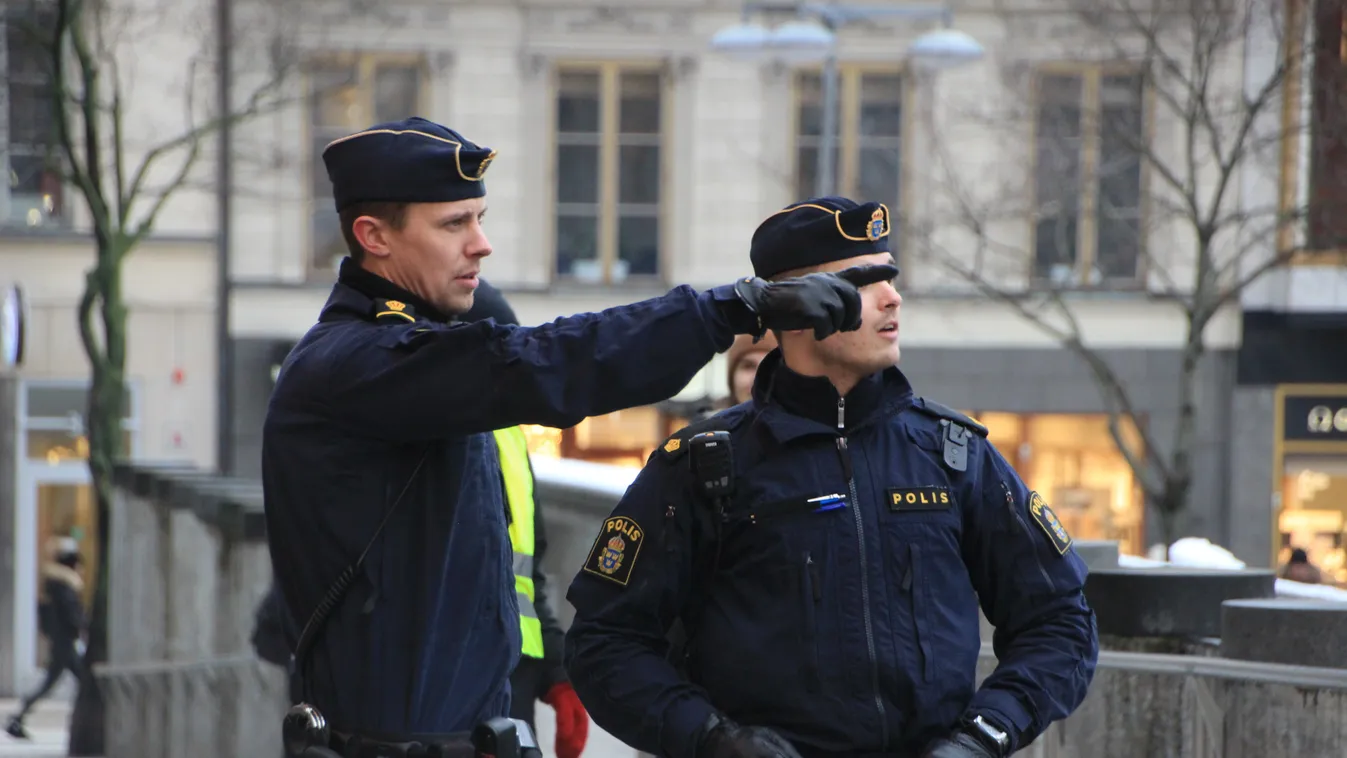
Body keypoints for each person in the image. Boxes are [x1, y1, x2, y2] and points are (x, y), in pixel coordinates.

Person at [263, 117, 897, 755]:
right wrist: (729, 309)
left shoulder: (412, 353)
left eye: (479, 219)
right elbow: (551, 363)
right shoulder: (357, 362)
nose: (481, 245)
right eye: (454, 224)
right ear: (373, 236)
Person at [563, 196, 1099, 758]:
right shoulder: (702, 464)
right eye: (862, 283)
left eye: (890, 278)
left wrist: (985, 735)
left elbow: (1061, 621)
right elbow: (604, 642)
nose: (892, 298)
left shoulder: (951, 453)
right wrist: (712, 739)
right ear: (797, 308)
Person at [459, 279, 588, 758]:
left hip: (514, 683)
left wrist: (556, 672)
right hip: (455, 694)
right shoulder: (428, 439)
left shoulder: (511, 437)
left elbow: (527, 578)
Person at [7, 537, 87, 740]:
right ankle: (17, 718)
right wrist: (82, 625)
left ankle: (18, 717)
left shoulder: (53, 585)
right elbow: (72, 615)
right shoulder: (63, 586)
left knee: (55, 682)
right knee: (80, 681)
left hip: (61, 642)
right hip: (64, 643)